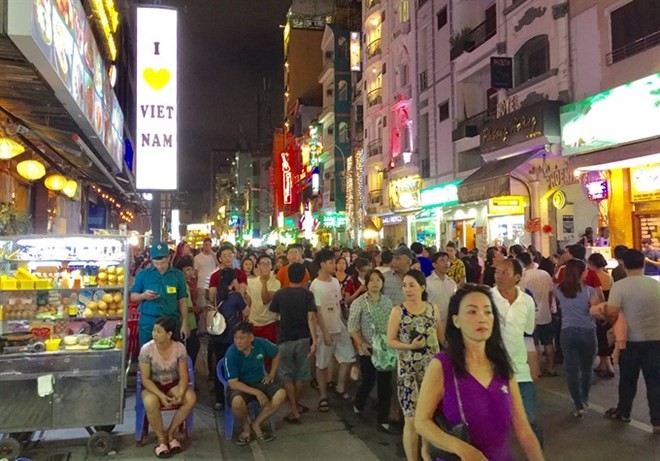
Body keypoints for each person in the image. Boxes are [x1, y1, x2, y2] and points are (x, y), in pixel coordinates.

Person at [415, 285, 544, 461]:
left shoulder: (502, 365)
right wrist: (462, 449)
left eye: (488, 311)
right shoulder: (442, 365)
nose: (482, 318)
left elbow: (524, 431)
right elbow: (421, 422)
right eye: (472, 312)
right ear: (456, 320)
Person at [599, 249, 660, 433]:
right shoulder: (655, 285)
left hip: (631, 341)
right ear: (643, 263)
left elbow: (612, 313)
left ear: (623, 264)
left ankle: (623, 412)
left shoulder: (621, 286)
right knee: (655, 382)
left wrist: (608, 318)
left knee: (627, 380)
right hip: (656, 341)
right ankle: (657, 422)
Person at [387, 269, 442, 461]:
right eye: (404, 286)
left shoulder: (432, 309)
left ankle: (426, 456)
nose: (408, 290)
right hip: (408, 372)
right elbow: (390, 340)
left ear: (422, 287)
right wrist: (410, 346)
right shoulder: (398, 311)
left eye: (412, 285)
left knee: (428, 419)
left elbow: (440, 337)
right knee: (411, 420)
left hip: (431, 371)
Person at [491, 259, 542, 444]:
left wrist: (533, 362)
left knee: (530, 419)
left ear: (517, 277)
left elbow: (527, 334)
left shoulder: (527, 301)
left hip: (520, 370)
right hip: (492, 371)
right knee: (494, 424)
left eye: (504, 273)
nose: (499, 276)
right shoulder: (487, 298)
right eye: (497, 272)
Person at [139, 316, 196, 458]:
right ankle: (161, 439)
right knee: (150, 402)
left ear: (169, 334)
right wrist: (160, 395)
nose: (154, 334)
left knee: (190, 399)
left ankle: (170, 433)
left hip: (173, 383)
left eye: (158, 331)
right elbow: (145, 378)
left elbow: (183, 376)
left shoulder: (179, 348)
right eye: (154, 331)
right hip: (153, 385)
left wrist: (181, 394)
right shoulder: (147, 349)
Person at [348, 269, 397, 434]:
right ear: (366, 284)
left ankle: (383, 420)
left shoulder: (387, 302)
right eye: (372, 280)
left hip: (385, 350)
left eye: (378, 280)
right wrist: (361, 344)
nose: (375, 283)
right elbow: (353, 327)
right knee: (368, 381)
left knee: (385, 385)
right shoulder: (360, 303)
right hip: (367, 348)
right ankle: (359, 403)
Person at [269, 263, 318, 423]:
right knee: (300, 374)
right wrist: (314, 340)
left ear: (288, 275)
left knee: (286, 374)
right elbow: (311, 318)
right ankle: (295, 406)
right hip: (303, 338)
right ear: (304, 276)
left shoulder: (280, 294)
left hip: (285, 338)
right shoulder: (308, 295)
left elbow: (273, 315)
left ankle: (294, 409)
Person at [224, 322, 286, 445]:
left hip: (259, 380)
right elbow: (233, 383)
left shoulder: (261, 343)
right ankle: (246, 428)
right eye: (236, 338)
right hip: (241, 385)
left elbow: (277, 352)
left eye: (242, 338)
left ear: (251, 338)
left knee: (281, 394)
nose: (238, 342)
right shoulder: (231, 354)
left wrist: (272, 374)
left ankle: (257, 423)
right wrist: (257, 392)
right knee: (237, 402)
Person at [310, 249, 356, 413]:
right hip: (325, 330)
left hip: (339, 326)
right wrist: (323, 331)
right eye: (331, 262)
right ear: (322, 264)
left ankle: (340, 387)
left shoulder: (336, 282)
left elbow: (338, 305)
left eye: (334, 262)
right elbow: (317, 311)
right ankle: (323, 396)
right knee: (321, 363)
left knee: (349, 356)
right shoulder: (315, 285)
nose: (334, 265)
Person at [553, 259, 599, 417]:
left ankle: (578, 404)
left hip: (567, 332)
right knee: (587, 369)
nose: (587, 273)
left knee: (571, 370)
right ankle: (584, 399)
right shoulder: (590, 291)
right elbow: (595, 311)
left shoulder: (559, 289)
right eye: (586, 270)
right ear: (581, 273)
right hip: (587, 331)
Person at [131, 242, 190, 348]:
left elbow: (182, 300)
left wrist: (185, 323)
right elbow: (133, 296)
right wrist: (144, 296)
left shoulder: (178, 275)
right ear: (151, 260)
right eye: (156, 262)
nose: (159, 266)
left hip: (170, 321)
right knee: (147, 355)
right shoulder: (143, 275)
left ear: (169, 258)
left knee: (170, 356)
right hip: (148, 322)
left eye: (162, 262)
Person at [208, 268, 249, 410]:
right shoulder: (236, 296)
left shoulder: (216, 295)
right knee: (233, 366)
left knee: (219, 365)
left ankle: (219, 399)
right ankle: (236, 396)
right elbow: (246, 312)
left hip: (218, 335)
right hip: (232, 337)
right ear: (233, 280)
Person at [518, 252, 556, 377]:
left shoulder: (524, 277)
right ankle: (550, 367)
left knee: (534, 344)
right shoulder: (545, 274)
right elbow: (551, 293)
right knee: (548, 342)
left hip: (531, 316)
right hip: (546, 314)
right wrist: (550, 307)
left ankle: (537, 369)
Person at [588, 252, 615, 378]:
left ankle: (607, 366)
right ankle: (604, 364)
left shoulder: (592, 277)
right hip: (608, 308)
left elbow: (597, 296)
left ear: (592, 264)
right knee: (605, 337)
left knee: (601, 338)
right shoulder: (607, 276)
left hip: (599, 310)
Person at [246, 254, 281, 346]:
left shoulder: (276, 283)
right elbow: (248, 303)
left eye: (268, 264)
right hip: (253, 323)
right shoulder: (251, 282)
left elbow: (265, 300)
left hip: (269, 323)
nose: (265, 266)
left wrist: (264, 281)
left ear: (272, 267)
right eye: (262, 264)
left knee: (268, 353)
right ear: (257, 266)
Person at [174, 256, 201, 368]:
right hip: (184, 322)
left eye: (191, 269)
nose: (191, 272)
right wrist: (193, 309)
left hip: (191, 321)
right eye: (188, 269)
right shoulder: (179, 284)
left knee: (193, 346)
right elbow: (179, 303)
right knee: (191, 347)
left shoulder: (188, 283)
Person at [426, 252, 457, 329]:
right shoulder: (427, 282)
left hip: (449, 326)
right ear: (434, 265)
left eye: (447, 260)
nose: (446, 263)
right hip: (433, 325)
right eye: (442, 260)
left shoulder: (452, 283)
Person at [193, 238, 218, 332]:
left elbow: (219, 265)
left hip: (212, 286)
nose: (207, 247)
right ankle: (202, 330)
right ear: (203, 245)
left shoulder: (214, 256)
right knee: (202, 308)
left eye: (209, 245)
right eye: (206, 244)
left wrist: (213, 254)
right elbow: (195, 273)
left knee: (211, 308)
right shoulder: (197, 258)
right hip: (201, 285)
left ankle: (210, 329)